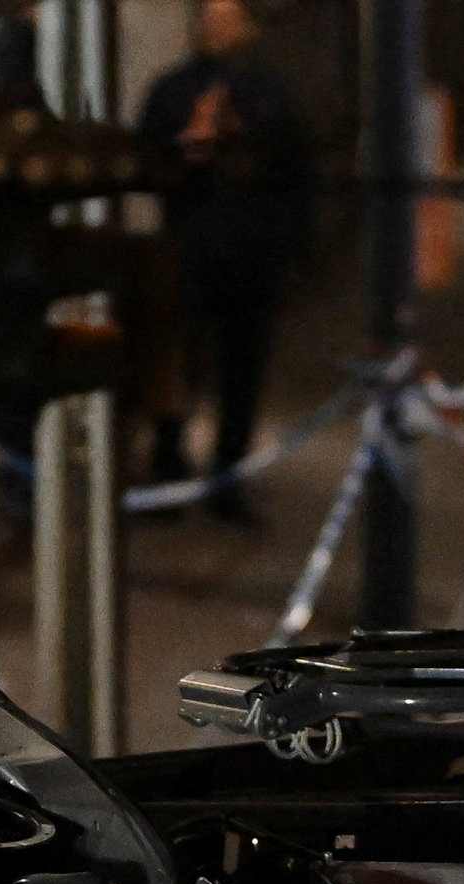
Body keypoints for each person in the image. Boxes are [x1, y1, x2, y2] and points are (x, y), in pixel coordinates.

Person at [134, 0, 311, 517]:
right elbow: (150, 154)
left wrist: (294, 247)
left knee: (242, 372)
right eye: (209, 19)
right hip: (193, 246)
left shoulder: (270, 92)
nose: (216, 29)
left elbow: (294, 172)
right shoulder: (174, 89)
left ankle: (227, 481)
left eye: (226, 19)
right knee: (177, 366)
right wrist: (183, 157)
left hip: (253, 254)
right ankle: (168, 470)